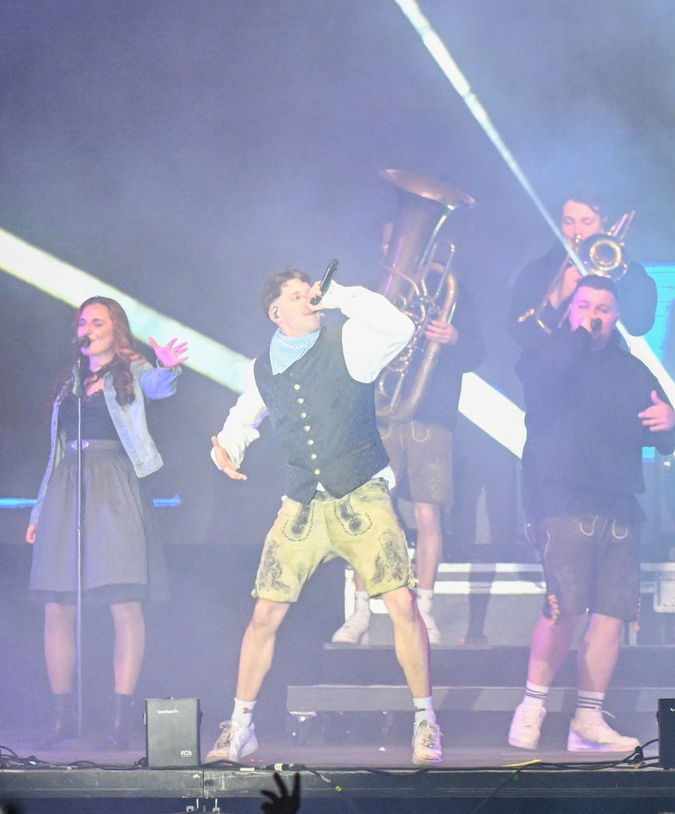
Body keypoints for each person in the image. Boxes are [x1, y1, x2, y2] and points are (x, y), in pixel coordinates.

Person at [208, 268, 442, 766]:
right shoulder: (263, 367)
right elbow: (244, 415)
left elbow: (400, 328)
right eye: (299, 296)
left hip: (362, 493)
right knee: (264, 614)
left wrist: (341, 295)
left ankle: (425, 721)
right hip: (303, 504)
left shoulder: (350, 341)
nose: (310, 300)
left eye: (312, 291)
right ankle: (241, 726)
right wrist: (228, 447)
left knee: (401, 603)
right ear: (277, 313)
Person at [507, 274, 675, 752]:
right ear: (570, 308)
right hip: (563, 502)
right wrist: (577, 336)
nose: (594, 314)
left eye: (603, 307)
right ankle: (533, 705)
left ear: (617, 313)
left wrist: (673, 424)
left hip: (620, 503)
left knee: (611, 614)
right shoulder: (545, 354)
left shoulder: (631, 370)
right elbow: (545, 380)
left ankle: (588, 716)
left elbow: (665, 432)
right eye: (585, 304)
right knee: (563, 608)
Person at [26, 297, 188, 749]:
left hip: (114, 484)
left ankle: (120, 719)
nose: (88, 327)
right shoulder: (68, 384)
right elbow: (53, 453)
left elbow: (159, 386)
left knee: (124, 602)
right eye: (83, 321)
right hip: (65, 488)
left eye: (98, 321)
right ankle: (62, 717)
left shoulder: (130, 372)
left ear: (116, 330)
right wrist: (40, 512)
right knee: (57, 606)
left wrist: (169, 368)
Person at [330, 289, 483, 647]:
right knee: (369, 516)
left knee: (429, 516)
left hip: (431, 417)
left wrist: (455, 338)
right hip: (380, 414)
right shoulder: (380, 291)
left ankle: (424, 609)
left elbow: (479, 353)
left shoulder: (456, 295)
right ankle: (361, 611)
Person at [509, 192, 658, 341]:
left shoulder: (627, 271)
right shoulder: (537, 270)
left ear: (603, 224)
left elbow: (640, 326)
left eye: (587, 222)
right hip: (552, 361)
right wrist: (556, 297)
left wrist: (613, 280)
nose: (577, 231)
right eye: (569, 221)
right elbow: (520, 335)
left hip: (606, 362)